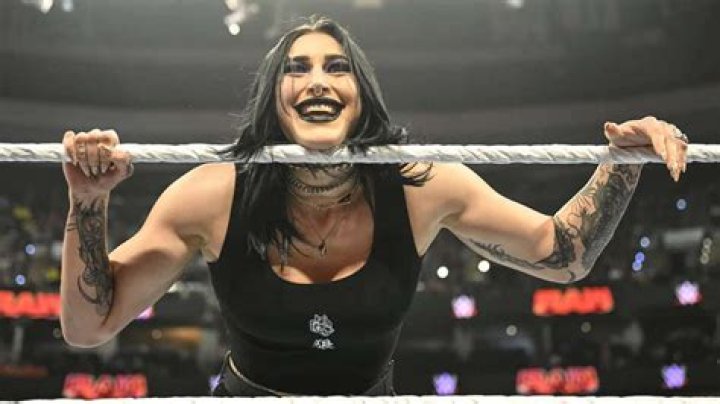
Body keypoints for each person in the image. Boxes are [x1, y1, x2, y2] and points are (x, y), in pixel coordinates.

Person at [59, 17, 688, 396]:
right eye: (297, 69)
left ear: (362, 97)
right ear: (273, 98)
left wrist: (623, 163)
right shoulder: (212, 193)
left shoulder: (421, 186)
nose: (318, 81)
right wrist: (87, 203)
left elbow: (564, 255)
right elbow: (88, 328)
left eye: (337, 68)